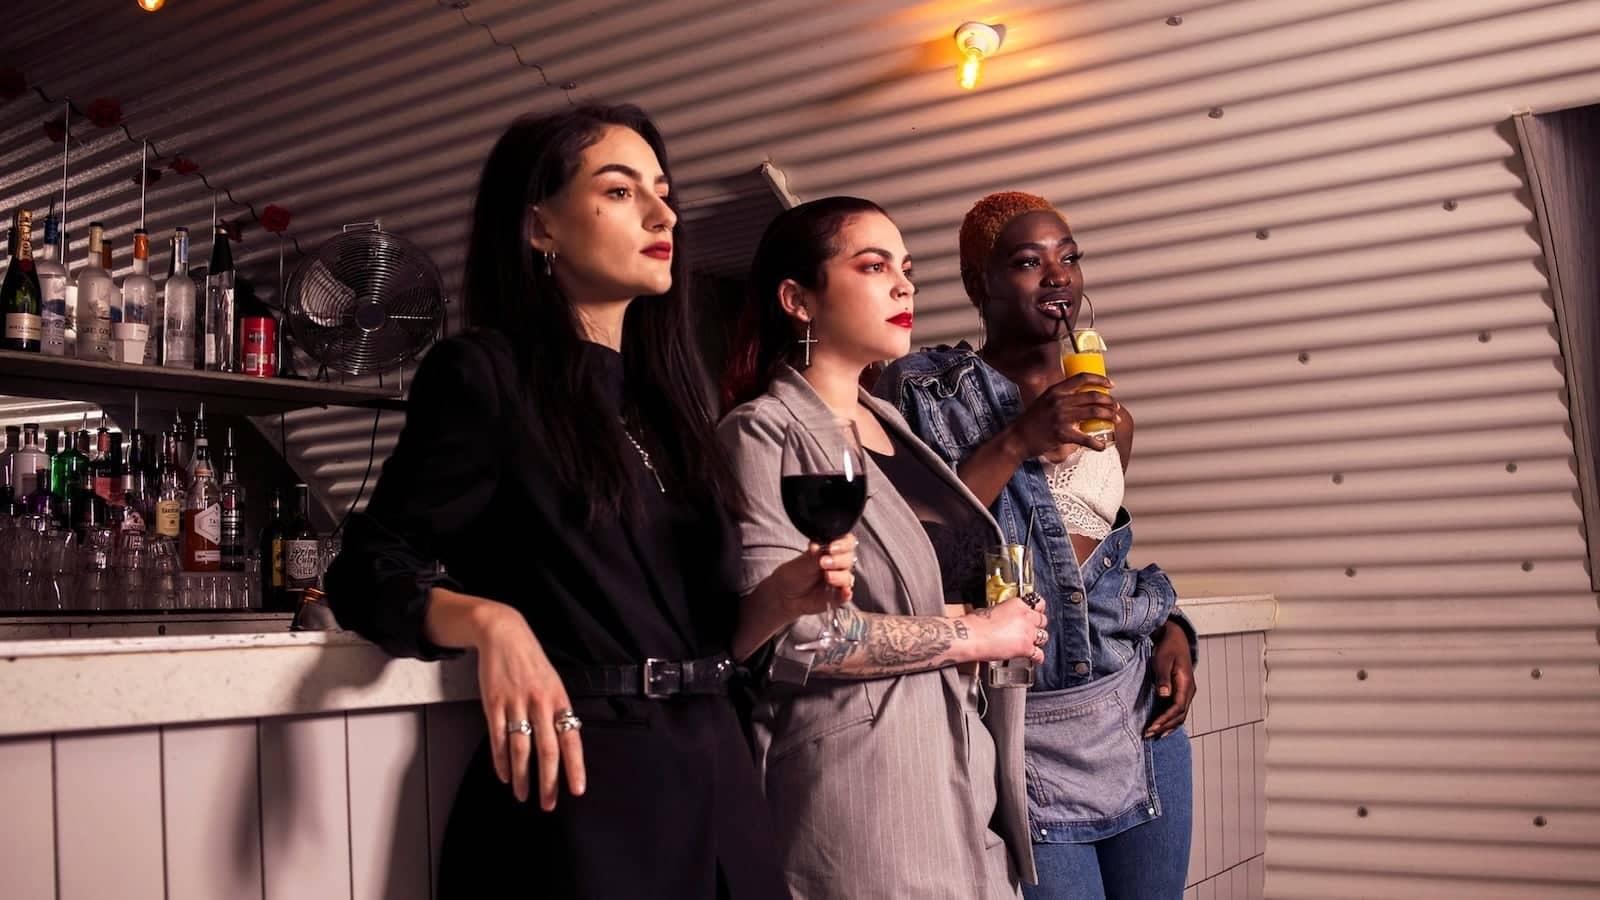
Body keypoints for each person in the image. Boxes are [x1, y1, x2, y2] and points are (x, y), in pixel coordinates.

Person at [326, 104, 847, 899]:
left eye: (663, 191)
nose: (661, 211)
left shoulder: (671, 401)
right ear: (540, 227)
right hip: (582, 803)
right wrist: (489, 621)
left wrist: (777, 601)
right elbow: (365, 567)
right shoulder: (485, 376)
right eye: (618, 190)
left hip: (718, 778)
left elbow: (698, 636)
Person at [719, 196, 1048, 899]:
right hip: (861, 791)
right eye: (873, 267)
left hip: (960, 771)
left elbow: (915, 589)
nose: (903, 286)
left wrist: (1002, 622)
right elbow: (792, 639)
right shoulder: (762, 432)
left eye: (906, 270)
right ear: (796, 299)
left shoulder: (893, 425)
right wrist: (972, 634)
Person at [874, 191, 1198, 900]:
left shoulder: (1117, 421)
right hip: (1024, 728)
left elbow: (1095, 572)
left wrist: (1172, 627)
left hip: (1137, 719)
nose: (1058, 275)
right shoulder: (922, 390)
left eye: (1069, 257)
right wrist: (1019, 439)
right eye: (1028, 262)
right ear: (976, 285)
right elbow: (911, 553)